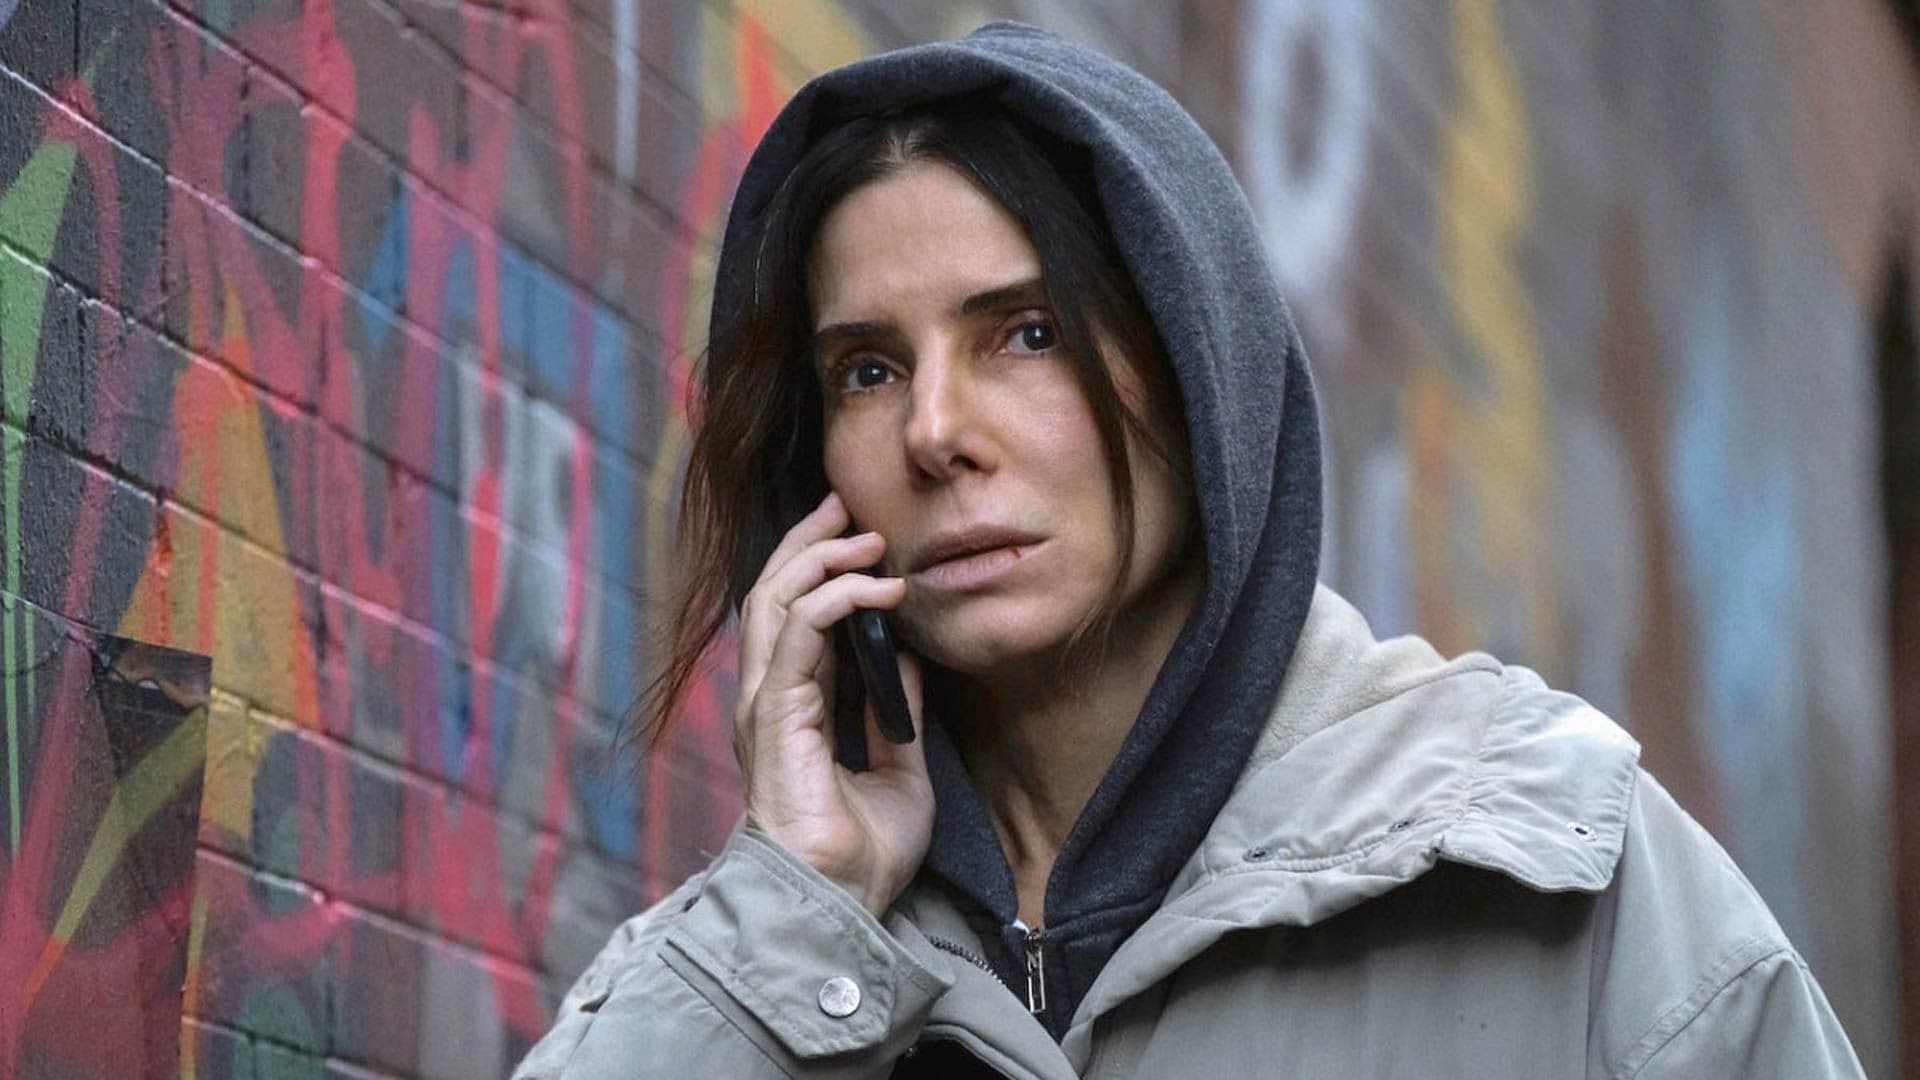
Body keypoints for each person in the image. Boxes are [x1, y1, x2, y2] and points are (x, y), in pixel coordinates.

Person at [516, 22, 1864, 1078]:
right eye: (867, 369)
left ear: (1197, 370)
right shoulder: (754, 953)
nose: (934, 432)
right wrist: (793, 912)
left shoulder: (1557, 880)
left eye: (1027, 334)